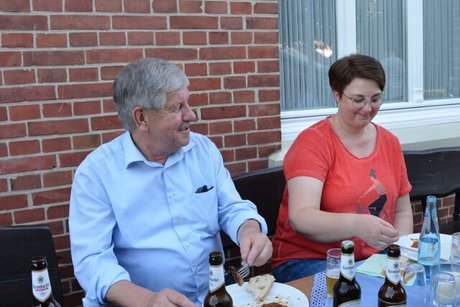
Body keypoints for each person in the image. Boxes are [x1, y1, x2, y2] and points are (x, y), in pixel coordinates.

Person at [69, 58, 273, 306]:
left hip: (214, 296)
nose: (191, 114)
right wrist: (147, 300)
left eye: (187, 102)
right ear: (142, 118)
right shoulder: (96, 173)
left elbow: (231, 207)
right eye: (177, 107)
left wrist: (249, 231)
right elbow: (92, 261)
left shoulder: (203, 150)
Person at [271, 54, 414, 283]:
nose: (368, 108)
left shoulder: (390, 142)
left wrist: (399, 253)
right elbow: (301, 217)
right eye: (358, 100)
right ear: (337, 95)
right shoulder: (313, 143)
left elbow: (402, 212)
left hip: (372, 259)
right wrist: (356, 225)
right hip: (309, 259)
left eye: (375, 99)